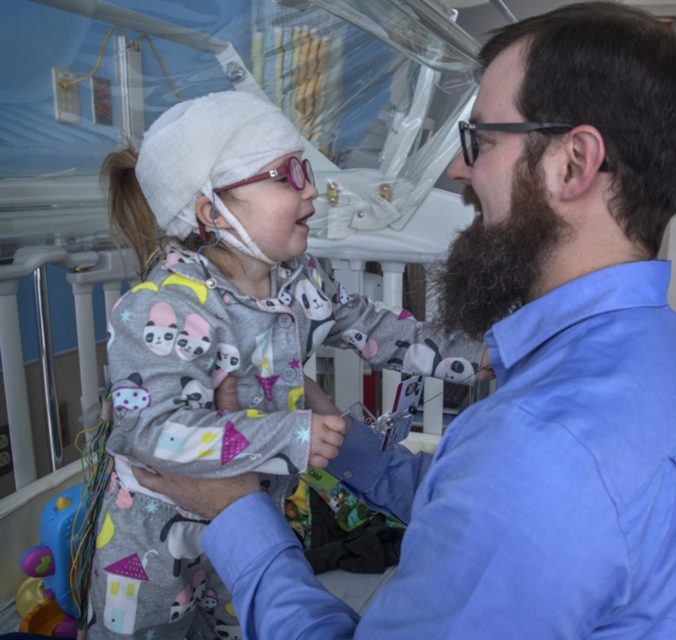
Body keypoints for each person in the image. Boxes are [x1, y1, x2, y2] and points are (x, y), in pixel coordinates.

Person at [135, 4, 676, 638]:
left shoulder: (543, 447)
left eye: (482, 141)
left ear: (574, 163)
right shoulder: (652, 346)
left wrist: (237, 509)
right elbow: (470, 499)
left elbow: (387, 340)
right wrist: (338, 439)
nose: (460, 169)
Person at [89, 91, 483, 639]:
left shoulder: (301, 281)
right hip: (155, 535)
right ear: (212, 211)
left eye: (307, 169)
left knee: (245, 621)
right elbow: (151, 431)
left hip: (251, 519)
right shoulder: (163, 309)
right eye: (287, 175)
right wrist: (290, 435)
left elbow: (376, 329)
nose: (313, 189)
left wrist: (479, 358)